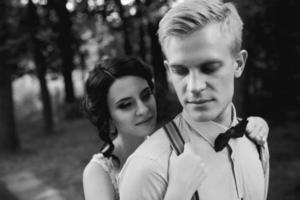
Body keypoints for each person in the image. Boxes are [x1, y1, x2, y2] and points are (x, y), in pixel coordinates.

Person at [118, 1, 270, 200]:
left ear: (238, 64)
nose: (194, 86)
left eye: (209, 67)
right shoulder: (148, 169)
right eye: (180, 70)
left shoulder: (256, 142)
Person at [82, 57, 269, 200]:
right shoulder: (98, 173)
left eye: (146, 95)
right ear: (108, 115)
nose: (143, 109)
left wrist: (254, 125)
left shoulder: (166, 145)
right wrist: (179, 188)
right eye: (125, 105)